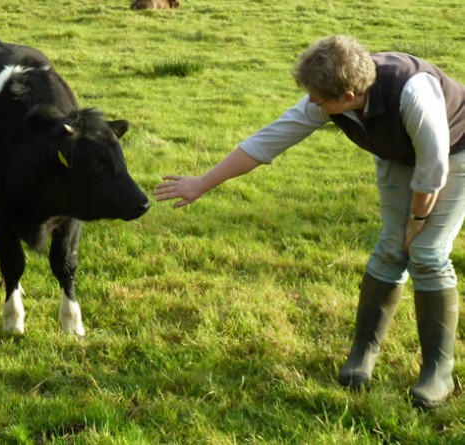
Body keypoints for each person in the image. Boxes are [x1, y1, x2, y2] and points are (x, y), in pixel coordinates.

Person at [154, 35, 465, 409]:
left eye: (320, 100)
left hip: (455, 151)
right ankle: (363, 355)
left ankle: (437, 371)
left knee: (426, 253)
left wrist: (417, 220)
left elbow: (432, 170)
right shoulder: (329, 97)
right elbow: (269, 140)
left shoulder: (413, 94)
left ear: (348, 94)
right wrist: (203, 182)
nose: (313, 105)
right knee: (389, 249)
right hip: (397, 153)